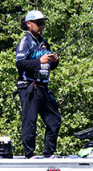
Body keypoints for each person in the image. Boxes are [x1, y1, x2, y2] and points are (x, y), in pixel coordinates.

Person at [15, 10, 61, 158]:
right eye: (38, 23)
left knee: (54, 119)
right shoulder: (25, 42)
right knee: (30, 121)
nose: (41, 26)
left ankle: (49, 153)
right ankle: (29, 154)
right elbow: (20, 63)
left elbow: (47, 66)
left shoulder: (43, 42)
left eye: (43, 23)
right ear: (29, 24)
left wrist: (54, 62)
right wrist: (39, 61)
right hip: (29, 86)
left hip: (43, 87)